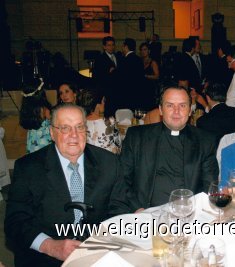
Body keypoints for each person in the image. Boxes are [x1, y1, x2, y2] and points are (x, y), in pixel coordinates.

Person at [5, 103, 123, 266]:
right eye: (65, 128)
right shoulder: (28, 168)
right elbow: (15, 222)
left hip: (97, 252)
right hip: (45, 257)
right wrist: (50, 246)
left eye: (79, 127)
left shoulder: (108, 162)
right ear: (52, 133)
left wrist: (100, 239)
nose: (74, 135)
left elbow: (120, 206)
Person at [113, 85, 219, 213]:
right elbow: (122, 179)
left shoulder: (205, 141)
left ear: (190, 111)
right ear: (161, 110)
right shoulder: (137, 137)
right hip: (146, 214)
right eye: (170, 105)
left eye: (182, 105)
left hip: (188, 216)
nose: (176, 111)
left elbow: (209, 187)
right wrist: (137, 208)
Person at [77, 89, 120, 154]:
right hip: (108, 158)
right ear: (98, 104)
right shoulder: (109, 120)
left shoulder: (80, 121)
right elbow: (118, 141)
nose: (104, 104)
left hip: (89, 157)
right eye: (103, 101)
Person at [19, 78, 52, 153]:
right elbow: (52, 123)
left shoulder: (26, 108)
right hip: (44, 142)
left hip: (32, 139)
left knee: (33, 158)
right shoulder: (44, 109)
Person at [117, 38, 146, 111]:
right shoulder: (139, 59)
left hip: (126, 93)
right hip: (138, 92)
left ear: (126, 47)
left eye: (122, 46)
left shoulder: (124, 60)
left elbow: (121, 78)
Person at [140, 42, 160, 109]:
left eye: (145, 49)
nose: (143, 51)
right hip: (142, 88)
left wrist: (146, 76)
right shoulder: (140, 61)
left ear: (149, 51)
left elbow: (157, 76)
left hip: (150, 88)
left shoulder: (153, 62)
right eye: (142, 50)